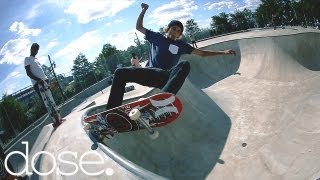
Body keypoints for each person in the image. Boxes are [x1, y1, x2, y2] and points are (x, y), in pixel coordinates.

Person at [106, 3, 236, 110]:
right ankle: (110, 112)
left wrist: (223, 52)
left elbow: (202, 54)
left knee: (185, 64)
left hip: (165, 78)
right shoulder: (156, 37)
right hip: (149, 73)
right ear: (167, 29)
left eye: (179, 31)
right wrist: (143, 10)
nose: (175, 32)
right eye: (173, 29)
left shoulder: (181, 45)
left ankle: (162, 101)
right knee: (120, 72)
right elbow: (139, 27)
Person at [24, 43, 64, 127]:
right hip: (38, 83)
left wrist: (46, 80)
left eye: (37, 49)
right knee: (47, 102)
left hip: (44, 81)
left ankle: (59, 118)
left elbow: (40, 71)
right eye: (35, 49)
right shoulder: (27, 59)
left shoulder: (36, 59)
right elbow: (28, 73)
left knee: (51, 100)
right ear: (31, 49)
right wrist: (38, 80)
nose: (36, 51)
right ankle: (55, 121)